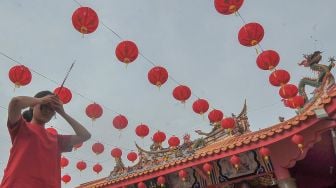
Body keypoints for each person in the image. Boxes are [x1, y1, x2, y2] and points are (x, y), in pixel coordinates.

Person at [0, 90, 91, 188]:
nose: (47, 111)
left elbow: (85, 135)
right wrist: (41, 100)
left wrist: (62, 112)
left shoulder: (57, 140)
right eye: (44, 106)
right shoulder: (21, 127)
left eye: (52, 109)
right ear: (33, 105)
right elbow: (16, 102)